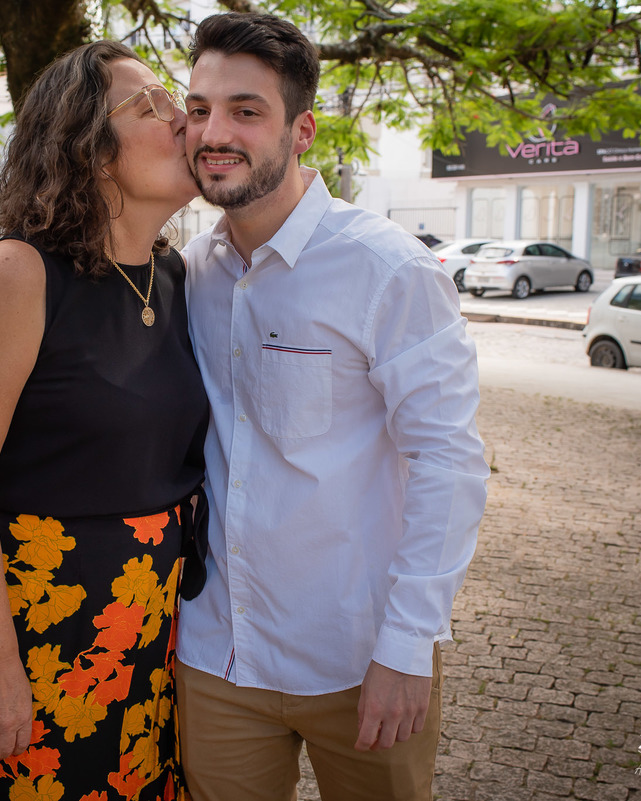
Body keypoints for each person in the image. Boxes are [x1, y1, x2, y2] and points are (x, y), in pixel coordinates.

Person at [175, 13, 489, 801]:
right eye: (200, 108)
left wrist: (409, 644)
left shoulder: (389, 270)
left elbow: (448, 462)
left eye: (247, 111)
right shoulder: (190, 272)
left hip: (358, 656)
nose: (215, 132)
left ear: (301, 129)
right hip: (218, 657)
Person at [0, 40, 209, 801]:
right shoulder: (19, 273)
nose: (183, 118)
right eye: (149, 105)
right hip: (37, 622)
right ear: (88, 147)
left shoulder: (175, 275)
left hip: (149, 621)